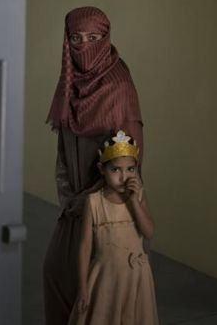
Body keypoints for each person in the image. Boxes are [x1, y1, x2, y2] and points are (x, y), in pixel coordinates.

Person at [43, 6, 144, 325]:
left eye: (93, 38)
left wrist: (93, 200)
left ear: (106, 38)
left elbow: (127, 161)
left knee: (100, 298)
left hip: (108, 206)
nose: (84, 46)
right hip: (72, 205)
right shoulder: (69, 83)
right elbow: (62, 151)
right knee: (56, 275)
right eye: (75, 38)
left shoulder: (118, 84)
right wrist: (68, 197)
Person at [69, 131, 158, 325]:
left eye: (130, 169)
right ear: (102, 169)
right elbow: (84, 247)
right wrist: (83, 287)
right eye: (115, 170)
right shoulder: (93, 203)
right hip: (105, 280)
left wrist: (134, 201)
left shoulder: (139, 196)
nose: (124, 177)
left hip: (135, 280)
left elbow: (149, 232)